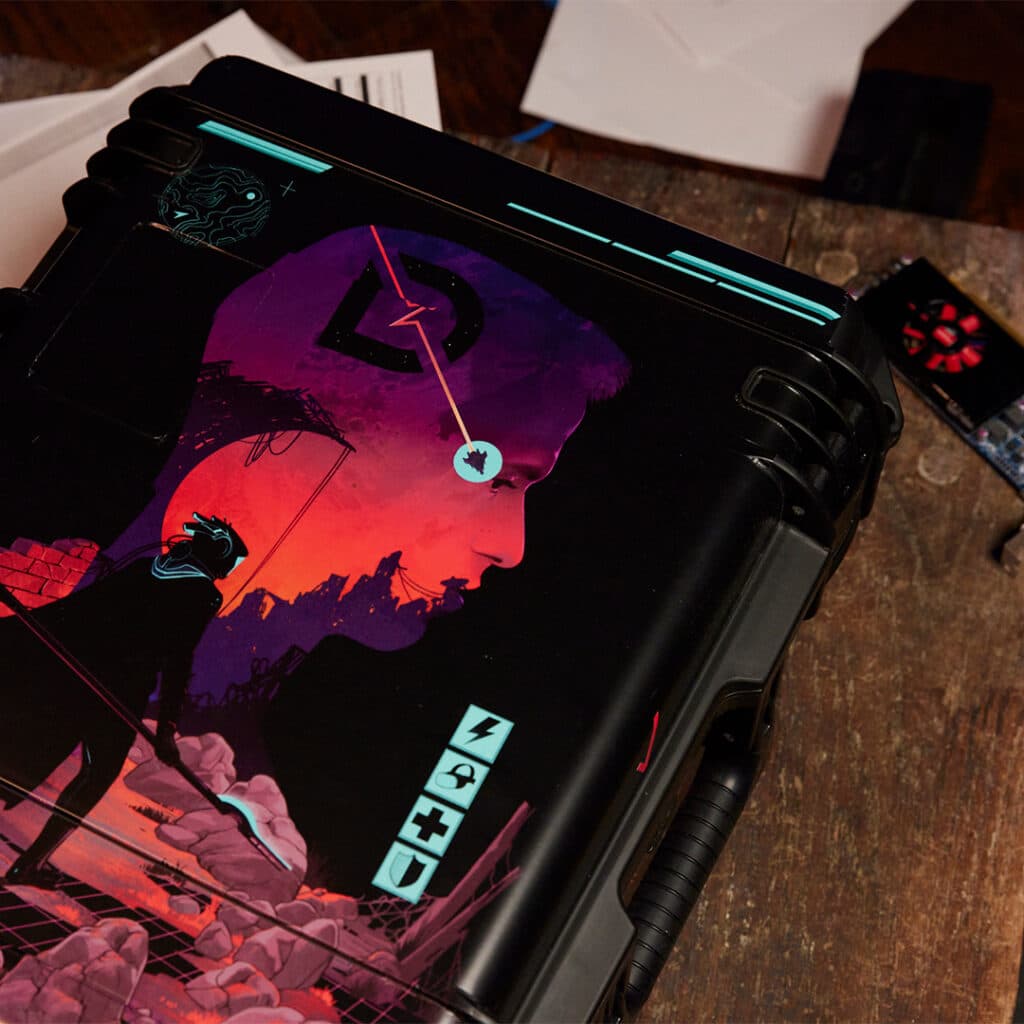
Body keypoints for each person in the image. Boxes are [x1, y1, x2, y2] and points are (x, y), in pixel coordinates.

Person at [0, 514, 247, 888]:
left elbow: (87, 607)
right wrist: (167, 728)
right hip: (118, 692)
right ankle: (30, 864)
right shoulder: (203, 594)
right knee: (95, 774)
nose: (229, 571)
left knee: (36, 744)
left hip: (82, 673)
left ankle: (30, 864)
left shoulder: (148, 567)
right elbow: (178, 658)